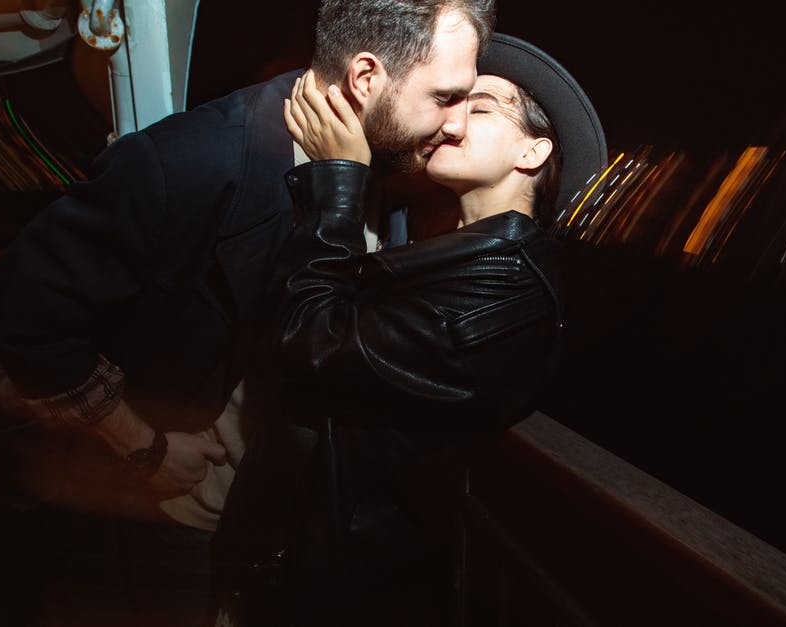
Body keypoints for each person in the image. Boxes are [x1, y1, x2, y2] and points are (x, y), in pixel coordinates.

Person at [0, 2, 497, 626]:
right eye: (446, 97)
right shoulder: (190, 163)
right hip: (166, 511)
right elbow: (14, 315)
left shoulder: (385, 171)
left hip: (274, 518)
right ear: (366, 78)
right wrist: (143, 447)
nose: (456, 125)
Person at [210, 32, 608, 626]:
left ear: (533, 154)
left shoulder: (505, 292)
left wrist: (338, 180)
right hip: (309, 556)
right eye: (451, 104)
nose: (450, 122)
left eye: (478, 108)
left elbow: (306, 344)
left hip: (345, 587)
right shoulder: (470, 255)